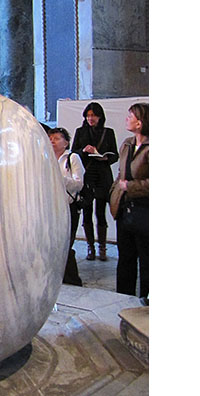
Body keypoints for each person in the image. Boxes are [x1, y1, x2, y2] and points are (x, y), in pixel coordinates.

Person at [109, 103, 149, 304]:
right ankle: (123, 300)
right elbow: (120, 174)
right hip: (125, 209)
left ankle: (145, 302)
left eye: (130, 116)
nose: (127, 118)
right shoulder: (127, 144)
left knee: (147, 259)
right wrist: (115, 192)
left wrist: (130, 187)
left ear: (140, 122)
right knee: (125, 258)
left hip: (145, 209)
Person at [71, 102, 118, 261]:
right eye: (88, 115)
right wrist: (84, 150)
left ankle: (102, 247)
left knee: (101, 213)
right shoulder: (80, 131)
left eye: (94, 115)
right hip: (87, 174)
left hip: (103, 175)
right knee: (87, 212)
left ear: (100, 117)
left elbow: (115, 155)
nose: (91, 118)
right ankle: (90, 247)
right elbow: (73, 153)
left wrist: (106, 157)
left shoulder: (108, 132)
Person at [49, 127, 84, 286]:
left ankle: (73, 280)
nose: (52, 141)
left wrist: (59, 179)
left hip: (68, 207)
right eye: (50, 138)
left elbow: (78, 184)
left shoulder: (72, 158)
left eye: (56, 138)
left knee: (66, 244)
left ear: (66, 142)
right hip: (49, 207)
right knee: (52, 244)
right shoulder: (46, 157)